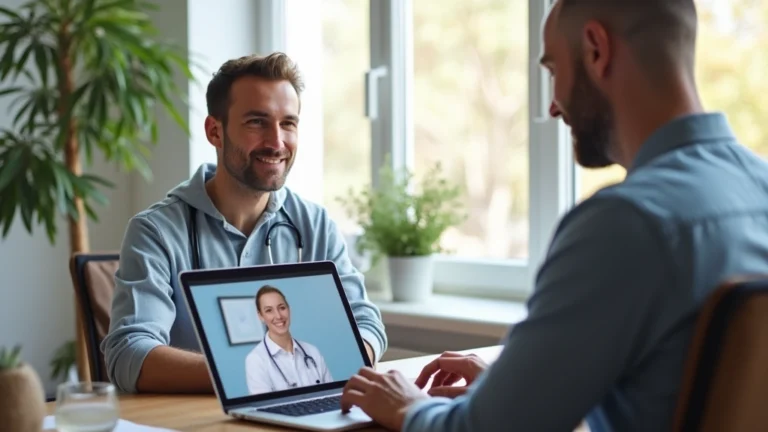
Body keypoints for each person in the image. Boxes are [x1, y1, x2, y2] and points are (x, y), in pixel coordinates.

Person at [339, 0, 768, 431]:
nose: (553, 106)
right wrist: (518, 391)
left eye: (552, 70)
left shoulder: (625, 223)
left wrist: (411, 407)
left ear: (597, 49)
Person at [102, 52, 387, 394]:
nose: (277, 142)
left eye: (288, 123)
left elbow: (366, 324)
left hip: (304, 411)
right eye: (257, 122)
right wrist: (253, 376)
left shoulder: (314, 224)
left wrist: (347, 360)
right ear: (215, 132)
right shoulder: (156, 231)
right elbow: (129, 354)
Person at [245, 285, 333, 394]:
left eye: (282, 308)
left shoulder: (312, 351)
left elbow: (331, 394)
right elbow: (264, 407)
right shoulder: (256, 360)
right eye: (269, 310)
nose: (278, 316)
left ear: (289, 309)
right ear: (261, 316)